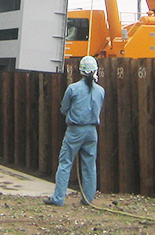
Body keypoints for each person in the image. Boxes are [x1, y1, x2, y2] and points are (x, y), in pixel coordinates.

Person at [43, 56, 105, 206]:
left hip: (75, 130)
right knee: (89, 165)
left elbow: (64, 108)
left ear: (80, 71)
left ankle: (58, 198)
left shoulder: (73, 89)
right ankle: (88, 199)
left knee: (65, 162)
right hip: (92, 131)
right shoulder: (101, 91)